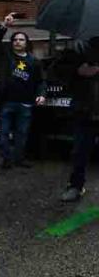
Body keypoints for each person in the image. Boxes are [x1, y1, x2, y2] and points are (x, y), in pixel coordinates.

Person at [0, 13, 46, 170]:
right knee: (4, 133)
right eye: (15, 39)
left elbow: (41, 81)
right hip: (6, 102)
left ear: (26, 43)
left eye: (21, 39)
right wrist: (4, 26)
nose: (17, 42)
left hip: (25, 103)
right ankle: (6, 159)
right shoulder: (6, 56)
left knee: (22, 134)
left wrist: (41, 95)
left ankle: (19, 159)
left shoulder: (34, 62)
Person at [60, 37, 99, 202]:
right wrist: (78, 71)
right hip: (86, 111)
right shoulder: (81, 47)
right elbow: (58, 70)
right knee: (80, 152)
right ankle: (75, 186)